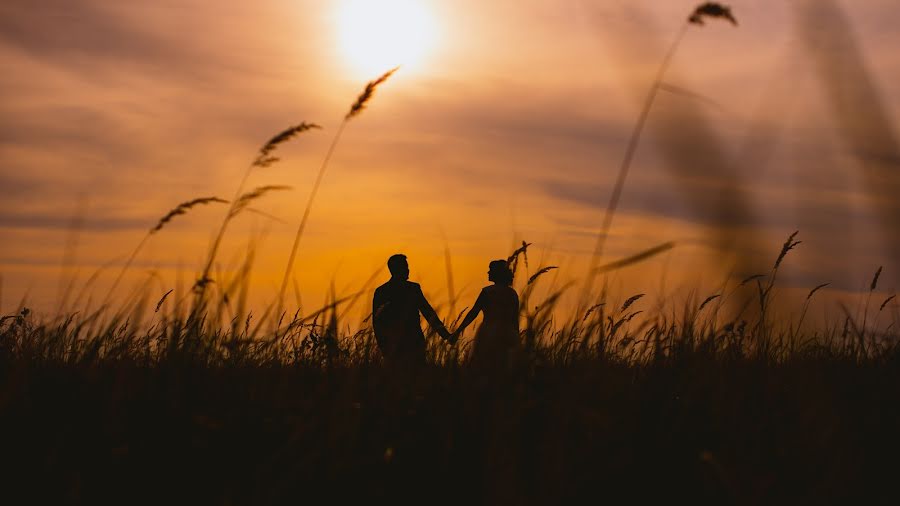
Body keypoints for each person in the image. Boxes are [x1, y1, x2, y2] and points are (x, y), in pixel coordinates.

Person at [372, 254, 454, 365]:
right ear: (395, 269)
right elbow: (428, 313)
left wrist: (446, 336)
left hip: (408, 343)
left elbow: (428, 313)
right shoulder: (410, 289)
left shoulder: (383, 291)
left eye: (407, 267)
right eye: (405, 267)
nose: (408, 270)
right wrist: (446, 336)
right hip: (405, 343)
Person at [452, 260, 520, 366]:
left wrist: (458, 331)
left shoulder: (488, 292)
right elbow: (515, 319)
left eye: (491, 270)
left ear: (497, 273)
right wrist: (517, 339)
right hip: (507, 333)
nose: (488, 272)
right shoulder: (513, 294)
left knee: (485, 364)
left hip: (489, 332)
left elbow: (473, 313)